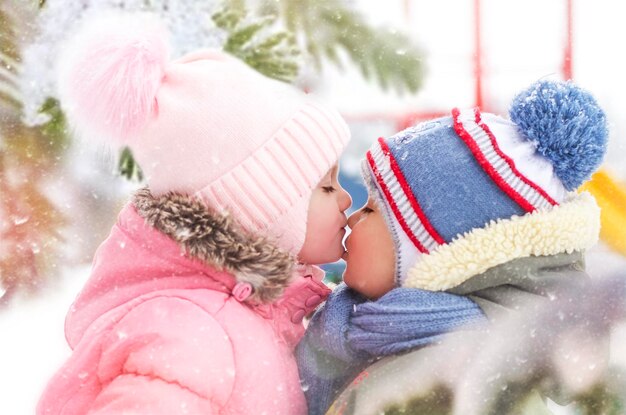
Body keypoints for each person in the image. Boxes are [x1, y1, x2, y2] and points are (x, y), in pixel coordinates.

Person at [37, 12, 352, 415]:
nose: (345, 200)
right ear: (262, 210)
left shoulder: (245, 317)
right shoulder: (193, 333)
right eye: (326, 187)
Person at [297, 79, 608, 415]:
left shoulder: (451, 387)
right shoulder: (376, 332)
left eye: (372, 209)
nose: (353, 214)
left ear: (433, 254)